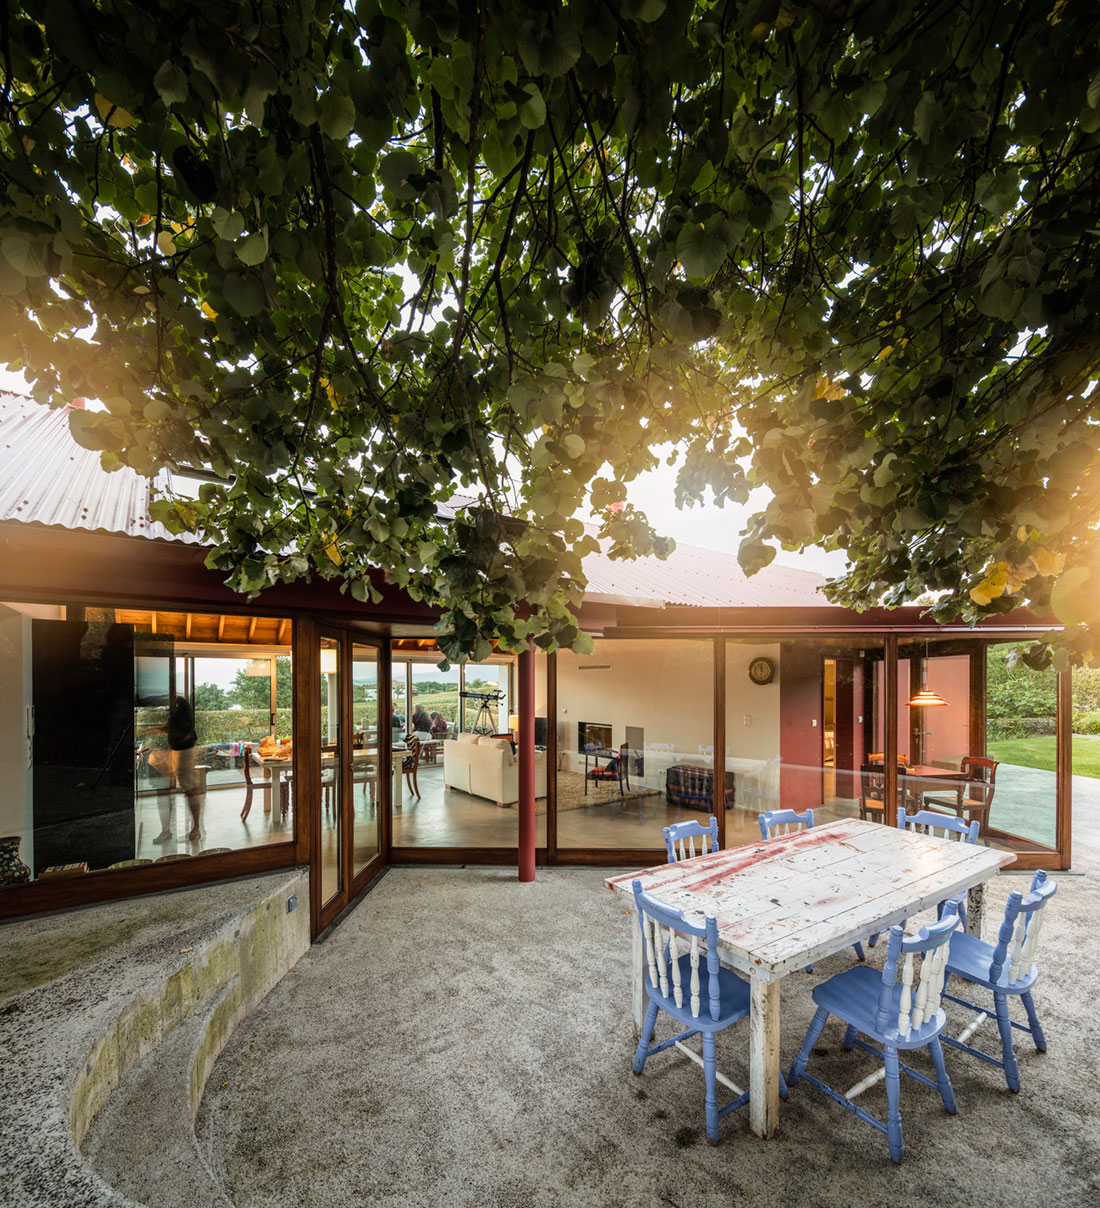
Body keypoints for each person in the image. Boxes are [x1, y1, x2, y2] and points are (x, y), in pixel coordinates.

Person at [152, 695, 203, 844]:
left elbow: (180, 731)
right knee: (166, 790)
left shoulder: (182, 707)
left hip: (184, 751)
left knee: (190, 789)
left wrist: (159, 730)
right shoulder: (178, 707)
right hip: (176, 750)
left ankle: (196, 827)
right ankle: (166, 830)